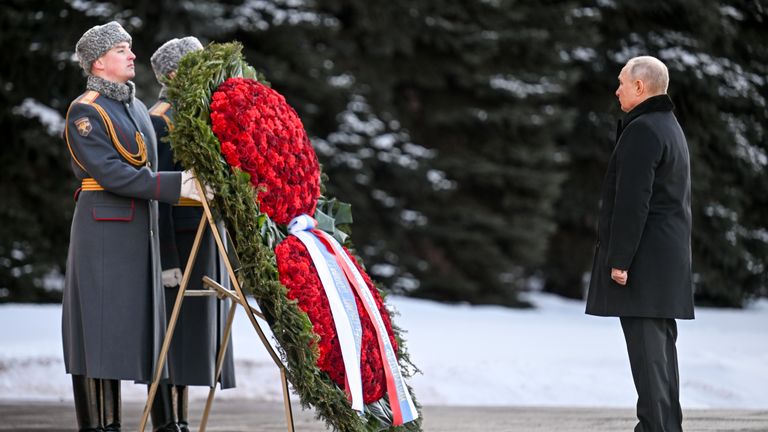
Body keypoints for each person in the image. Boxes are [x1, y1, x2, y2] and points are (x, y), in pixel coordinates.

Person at [62, 21, 208, 431]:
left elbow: (146, 170)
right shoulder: (86, 109)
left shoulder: (138, 108)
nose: (132, 55)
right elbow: (113, 174)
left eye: (129, 48)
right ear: (99, 62)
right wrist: (182, 185)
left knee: (147, 331)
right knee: (99, 330)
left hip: (139, 230)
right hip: (104, 229)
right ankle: (101, 425)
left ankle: (164, 422)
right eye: (122, 50)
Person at [586, 55, 694, 432]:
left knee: (649, 360)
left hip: (644, 264)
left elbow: (634, 200)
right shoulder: (669, 126)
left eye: (620, 82)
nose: (616, 89)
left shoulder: (643, 130)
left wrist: (620, 259)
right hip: (665, 262)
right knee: (661, 359)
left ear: (639, 86)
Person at [147, 37, 236, 432]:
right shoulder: (161, 118)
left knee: (195, 333)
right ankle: (168, 421)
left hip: (206, 231)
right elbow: (159, 193)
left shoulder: (203, 112)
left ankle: (182, 419)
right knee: (173, 330)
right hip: (180, 237)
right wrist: (166, 259)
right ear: (172, 74)